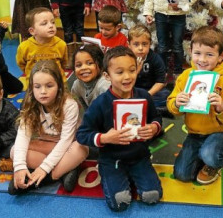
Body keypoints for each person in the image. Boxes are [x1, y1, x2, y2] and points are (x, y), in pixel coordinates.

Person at [76, 46, 163, 211]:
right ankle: (112, 175)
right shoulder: (100, 103)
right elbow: (82, 134)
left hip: (140, 156)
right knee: (120, 203)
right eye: (120, 72)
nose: (127, 77)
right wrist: (104, 138)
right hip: (111, 159)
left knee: (152, 197)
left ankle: (133, 175)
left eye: (132, 70)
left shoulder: (144, 96)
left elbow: (156, 118)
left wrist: (153, 128)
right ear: (107, 76)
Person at [167, 26, 223, 185]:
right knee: (182, 174)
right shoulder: (186, 76)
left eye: (209, 55)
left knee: (210, 155)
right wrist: (176, 102)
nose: (202, 60)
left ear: (221, 56)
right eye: (197, 53)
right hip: (195, 133)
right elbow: (171, 103)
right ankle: (203, 154)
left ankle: (214, 162)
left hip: (220, 132)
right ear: (190, 51)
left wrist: (222, 108)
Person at [9, 60, 89, 195]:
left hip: (67, 147)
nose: (43, 92)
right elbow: (23, 135)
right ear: (32, 88)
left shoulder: (69, 105)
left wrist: (44, 169)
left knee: (81, 148)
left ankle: (44, 179)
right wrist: (19, 167)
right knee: (14, 150)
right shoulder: (30, 104)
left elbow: (66, 141)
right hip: (45, 145)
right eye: (37, 87)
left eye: (49, 86)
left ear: (58, 86)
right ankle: (65, 170)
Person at [16, 7, 68, 89]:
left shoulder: (61, 44)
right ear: (32, 31)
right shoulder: (24, 47)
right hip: (35, 84)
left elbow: (64, 63)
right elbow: (22, 64)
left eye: (53, 22)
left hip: (58, 82)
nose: (51, 26)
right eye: (44, 23)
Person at [128, 24, 170, 117]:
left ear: (150, 44)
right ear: (129, 45)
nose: (140, 48)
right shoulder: (126, 58)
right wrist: (136, 72)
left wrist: (147, 95)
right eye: (136, 44)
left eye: (144, 44)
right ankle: (152, 108)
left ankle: (152, 108)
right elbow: (124, 81)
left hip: (151, 91)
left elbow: (161, 81)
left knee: (166, 95)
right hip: (133, 90)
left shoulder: (155, 58)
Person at [71, 44, 110, 111]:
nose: (83, 68)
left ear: (100, 64)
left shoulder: (104, 86)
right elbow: (83, 111)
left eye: (89, 63)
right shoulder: (77, 85)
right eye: (78, 65)